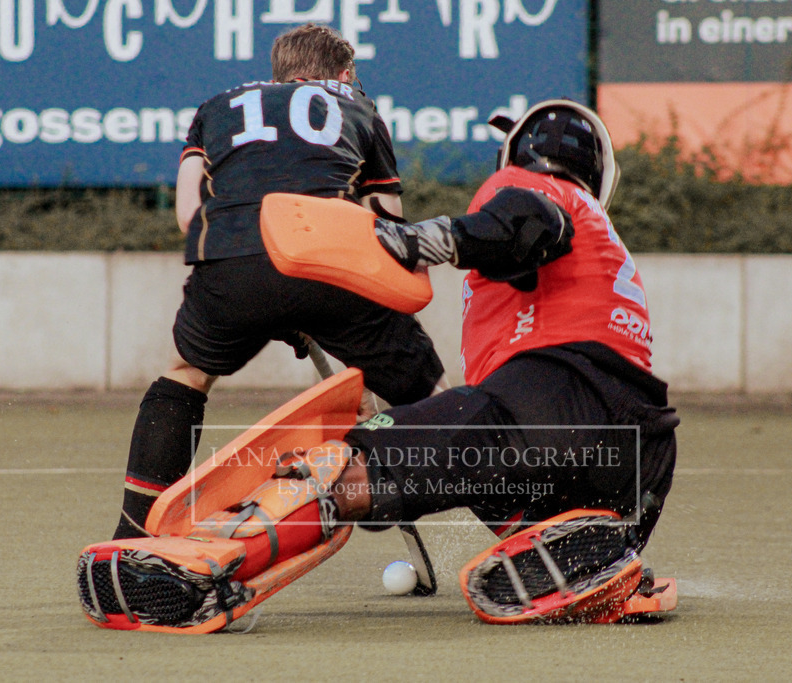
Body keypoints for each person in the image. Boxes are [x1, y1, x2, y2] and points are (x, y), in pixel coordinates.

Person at [81, 100, 678, 629]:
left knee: (344, 467)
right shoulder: (608, 243)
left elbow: (528, 224)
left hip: (552, 404)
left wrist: (421, 240)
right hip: (641, 458)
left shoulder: (529, 185)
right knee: (478, 470)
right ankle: (594, 555)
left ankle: (196, 570)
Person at [110, 23, 446, 540]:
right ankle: (517, 526)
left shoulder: (217, 107)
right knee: (438, 399)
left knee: (185, 374)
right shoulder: (359, 107)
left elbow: (188, 215)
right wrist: (327, 309)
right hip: (331, 261)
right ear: (344, 73)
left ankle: (132, 536)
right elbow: (387, 225)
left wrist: (273, 292)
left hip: (232, 263)